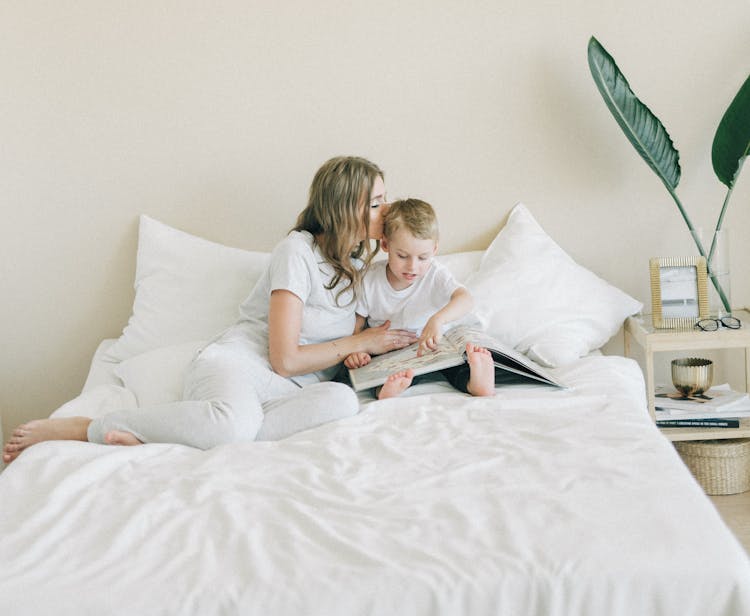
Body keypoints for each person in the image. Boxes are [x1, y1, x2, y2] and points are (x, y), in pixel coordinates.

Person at [3, 157, 417, 462]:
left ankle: (167, 439)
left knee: (343, 402)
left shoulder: (360, 263)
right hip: (243, 366)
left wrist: (369, 345)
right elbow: (285, 358)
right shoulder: (297, 252)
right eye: (377, 203)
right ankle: (92, 427)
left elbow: (362, 331)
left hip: (294, 391)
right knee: (234, 425)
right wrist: (358, 341)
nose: (387, 210)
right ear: (346, 208)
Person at [342, 197, 497, 399]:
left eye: (423, 257)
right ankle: (387, 390)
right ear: (385, 244)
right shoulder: (369, 279)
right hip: (390, 351)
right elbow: (357, 325)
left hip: (432, 348)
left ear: (434, 250)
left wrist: (437, 320)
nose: (412, 267)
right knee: (381, 369)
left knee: (455, 364)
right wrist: (356, 350)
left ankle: (476, 382)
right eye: (403, 256)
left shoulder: (435, 274)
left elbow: (465, 298)